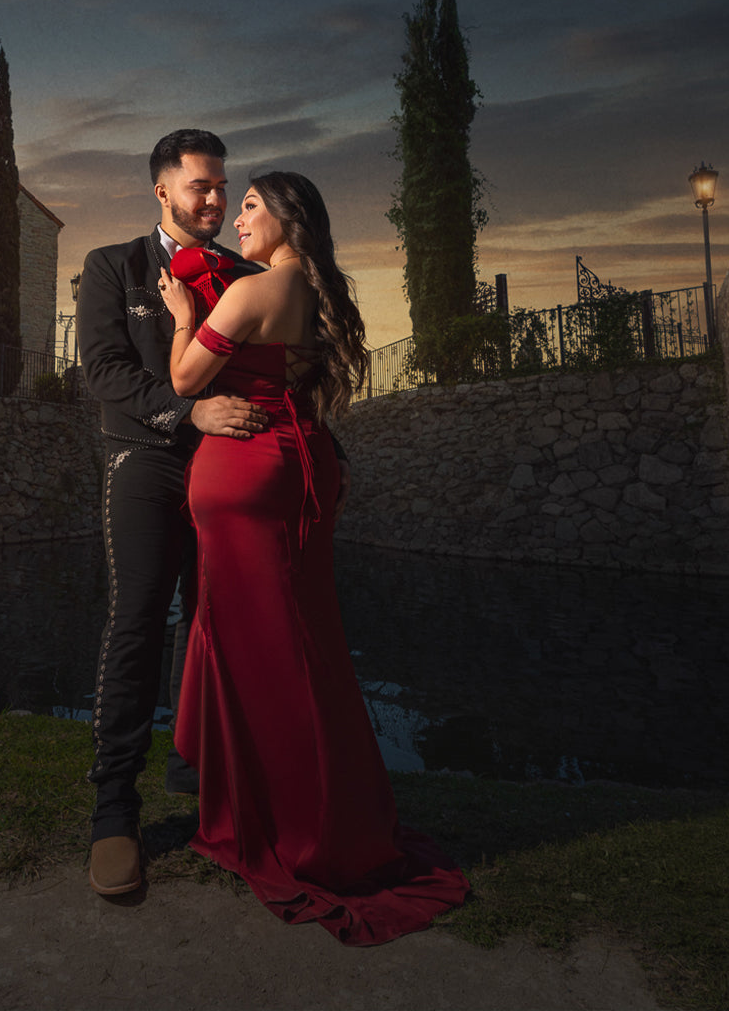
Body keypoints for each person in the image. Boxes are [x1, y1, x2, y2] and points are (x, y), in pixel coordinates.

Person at [160, 171, 470, 945]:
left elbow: (185, 379)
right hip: (300, 466)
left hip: (248, 476)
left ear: (288, 216)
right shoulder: (314, 291)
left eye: (251, 207)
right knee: (306, 642)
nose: (238, 220)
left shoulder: (252, 292)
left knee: (263, 652)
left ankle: (294, 827)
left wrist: (182, 317)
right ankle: (321, 811)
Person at [76, 129, 266, 897]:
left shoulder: (248, 274)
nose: (216, 199)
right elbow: (104, 372)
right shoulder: (111, 266)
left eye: (223, 186)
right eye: (200, 186)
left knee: (217, 623)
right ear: (163, 191)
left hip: (230, 468)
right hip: (145, 461)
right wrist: (189, 412)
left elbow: (277, 376)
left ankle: (197, 768)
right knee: (139, 619)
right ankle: (114, 810)